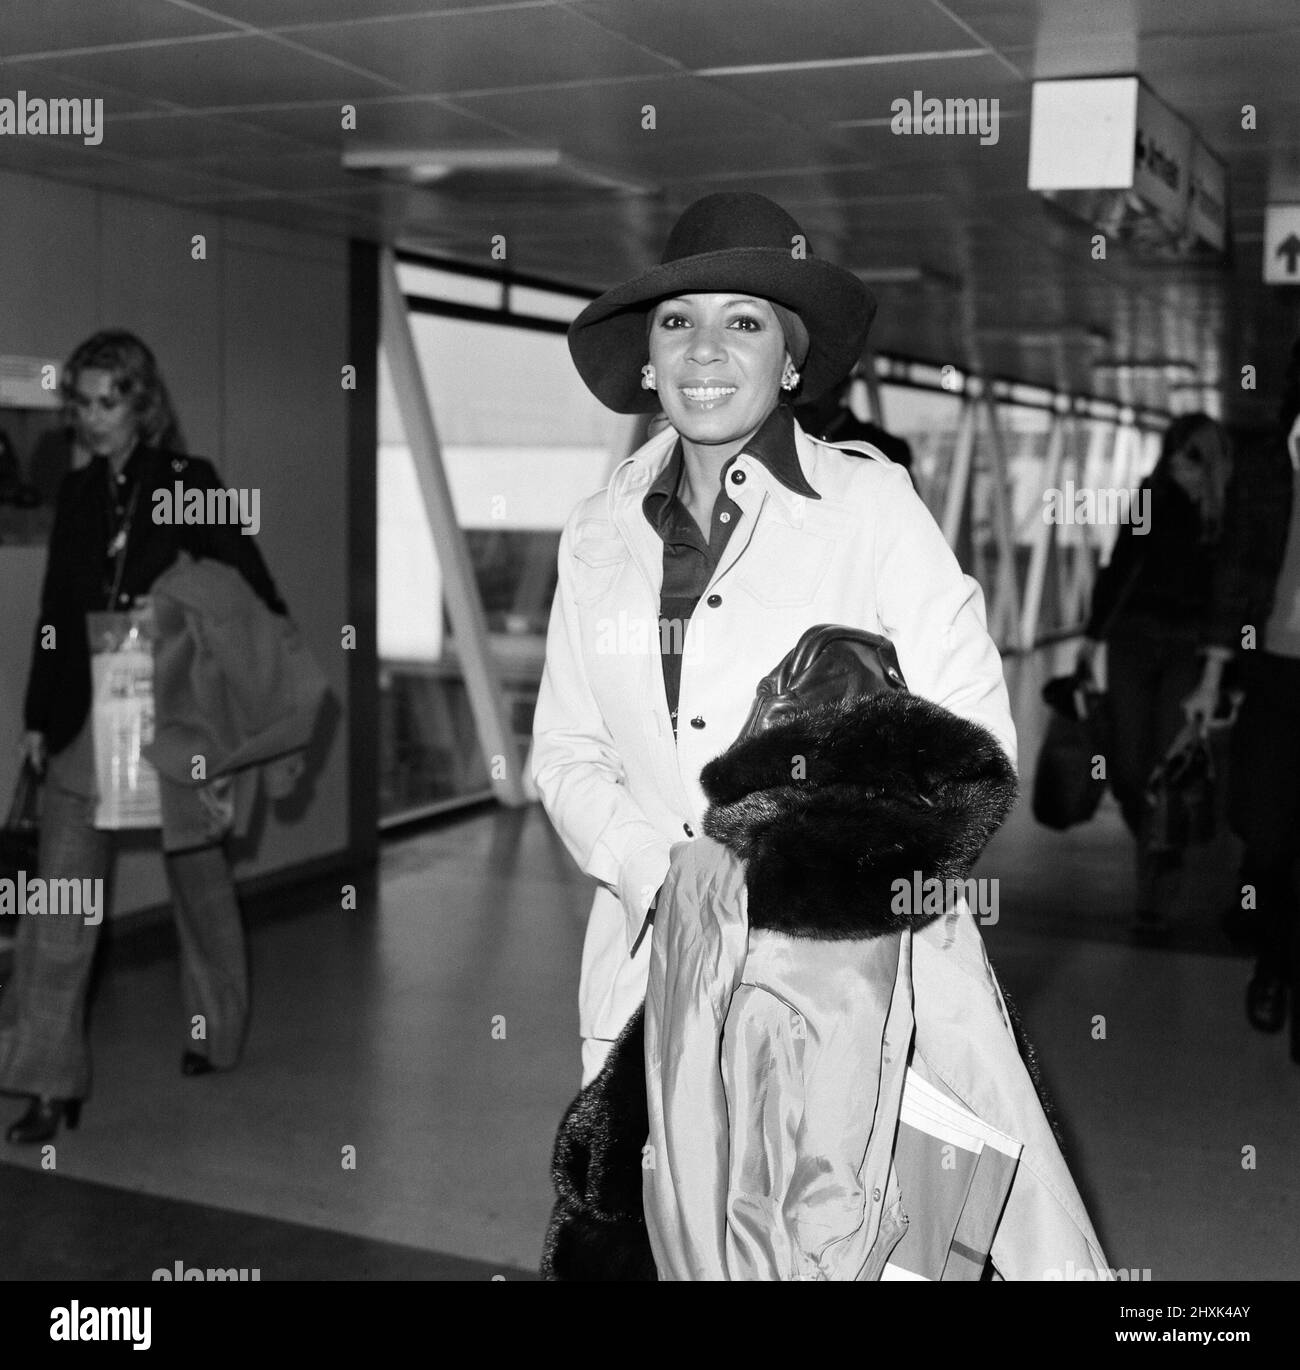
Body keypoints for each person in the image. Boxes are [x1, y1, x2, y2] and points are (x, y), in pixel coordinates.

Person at [532, 192, 1016, 1086]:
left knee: (820, 1226)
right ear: (648, 356)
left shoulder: (870, 510)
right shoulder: (596, 531)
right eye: (677, 321)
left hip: (831, 995)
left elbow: (973, 748)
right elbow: (566, 751)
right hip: (646, 976)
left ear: (790, 363)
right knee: (651, 1223)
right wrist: (661, 876)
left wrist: (808, 890)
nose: (704, 350)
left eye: (743, 322)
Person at [0, 330, 287, 1144]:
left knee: (200, 887)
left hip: (174, 719)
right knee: (60, 899)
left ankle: (215, 1031)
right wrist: (32, 717)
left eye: (109, 401)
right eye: (82, 403)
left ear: (142, 403)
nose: (93, 420)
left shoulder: (189, 485)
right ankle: (49, 1083)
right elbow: (55, 612)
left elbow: (254, 594)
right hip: (84, 718)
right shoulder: (79, 494)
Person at [1184, 338, 1300, 1051]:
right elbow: (1236, 576)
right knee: (1268, 826)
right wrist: (1209, 680)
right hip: (1278, 670)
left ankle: (1281, 970)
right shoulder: (1267, 464)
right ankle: (1272, 955)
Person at [1076, 413, 1232, 941]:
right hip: (1133, 641)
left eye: (1188, 456)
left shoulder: (1227, 512)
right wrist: (1091, 637)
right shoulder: (1152, 496)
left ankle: (1154, 895)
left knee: (1167, 767)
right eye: (1171, 453)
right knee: (1125, 764)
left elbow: (1234, 597)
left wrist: (1224, 671)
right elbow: (1121, 565)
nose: (1175, 465)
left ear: (1208, 461)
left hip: (1189, 647)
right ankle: (1158, 837)